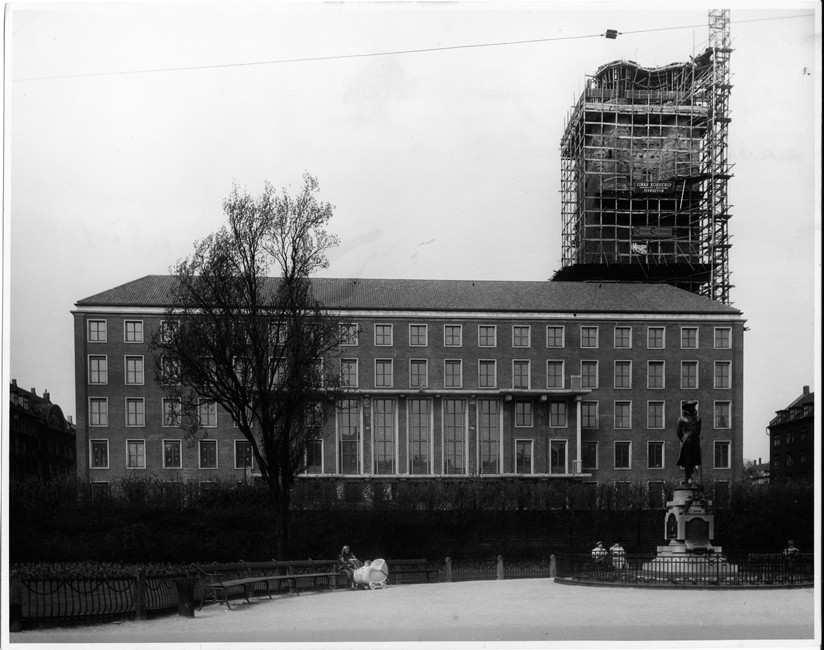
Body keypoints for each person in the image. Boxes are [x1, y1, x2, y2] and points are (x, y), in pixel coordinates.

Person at [676, 400, 702, 484]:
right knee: (687, 460)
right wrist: (684, 440)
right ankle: (687, 478)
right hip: (687, 441)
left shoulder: (698, 418)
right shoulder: (682, 418)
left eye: (693, 406)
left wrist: (694, 437)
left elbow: (698, 430)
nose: (692, 407)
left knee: (693, 460)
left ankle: (690, 477)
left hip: (695, 441)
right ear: (687, 408)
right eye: (690, 406)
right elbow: (679, 432)